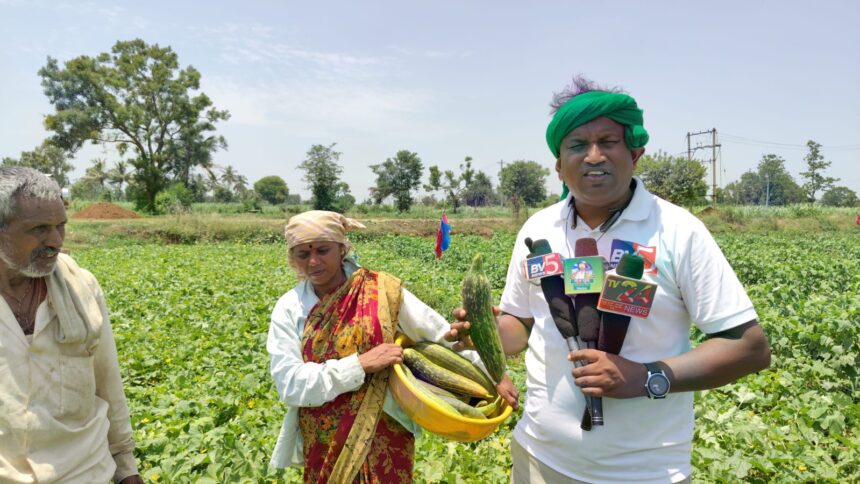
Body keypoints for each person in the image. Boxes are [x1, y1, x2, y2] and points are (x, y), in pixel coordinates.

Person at [446, 77, 771, 483]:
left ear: (635, 153)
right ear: (559, 164)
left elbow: (749, 347)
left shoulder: (677, 231)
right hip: (538, 458)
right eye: (577, 145)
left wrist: (645, 376)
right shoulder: (538, 230)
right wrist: (485, 332)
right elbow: (520, 326)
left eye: (608, 141)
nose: (593, 156)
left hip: (643, 471)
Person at [267, 210, 504, 483]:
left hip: (386, 432)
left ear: (342, 249)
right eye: (302, 254)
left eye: (323, 250)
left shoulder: (382, 291)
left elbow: (440, 336)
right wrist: (360, 364)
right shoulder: (289, 309)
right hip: (324, 438)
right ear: (292, 257)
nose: (313, 261)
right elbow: (290, 384)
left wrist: (495, 375)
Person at [0, 167, 143, 483]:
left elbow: (108, 382)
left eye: (60, 226)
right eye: (38, 229)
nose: (55, 241)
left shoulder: (82, 288)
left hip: (84, 471)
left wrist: (126, 468)